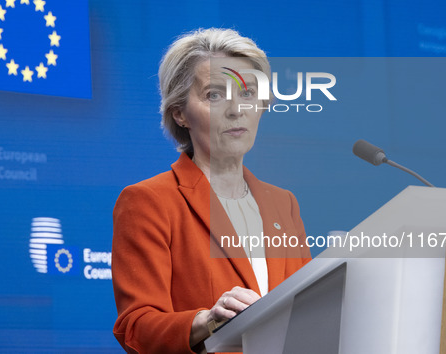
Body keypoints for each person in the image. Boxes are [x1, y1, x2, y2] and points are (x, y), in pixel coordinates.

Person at [111, 28, 311, 354]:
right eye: (215, 95)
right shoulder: (149, 201)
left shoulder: (283, 204)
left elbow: (309, 312)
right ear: (179, 113)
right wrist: (206, 322)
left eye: (247, 93)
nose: (236, 109)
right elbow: (136, 328)